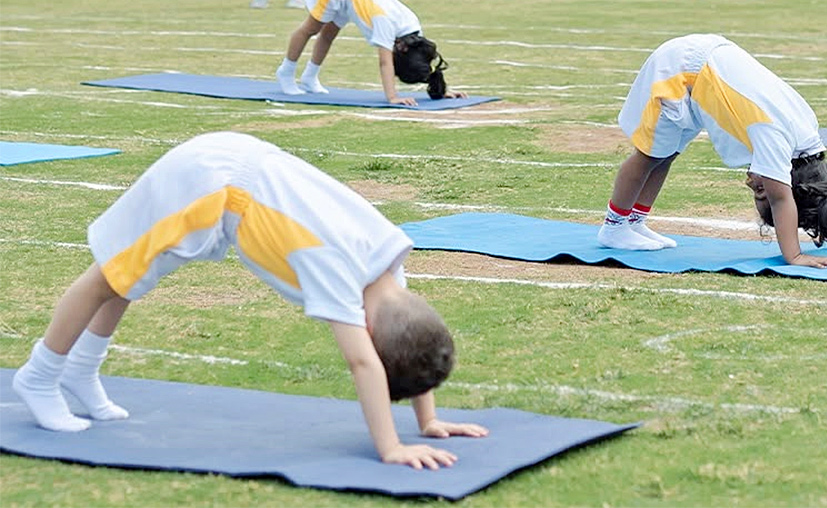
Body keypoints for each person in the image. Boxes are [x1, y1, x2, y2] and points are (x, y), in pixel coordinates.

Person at [11, 132, 488, 467]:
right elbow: (366, 364)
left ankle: (79, 371)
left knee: (130, 278)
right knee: (108, 275)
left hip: (237, 171)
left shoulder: (391, 261)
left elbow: (404, 344)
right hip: (209, 182)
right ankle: (40, 375)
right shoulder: (337, 274)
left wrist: (428, 421)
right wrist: (391, 448)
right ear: (368, 330)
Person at [598, 34, 827, 267]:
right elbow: (782, 199)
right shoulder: (774, 138)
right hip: (680, 68)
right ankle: (614, 227)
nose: (750, 182)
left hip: (700, 70)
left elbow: (820, 194)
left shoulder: (806, 140)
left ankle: (633, 222)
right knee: (649, 154)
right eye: (759, 190)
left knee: (666, 154)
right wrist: (793, 255)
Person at [276, 0, 462, 106]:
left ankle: (309, 78)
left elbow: (423, 62)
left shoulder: (414, 34)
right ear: (401, 48)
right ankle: (286, 72)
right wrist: (392, 97)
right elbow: (384, 62)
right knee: (311, 29)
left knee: (328, 35)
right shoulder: (386, 23)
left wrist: (440, 90)